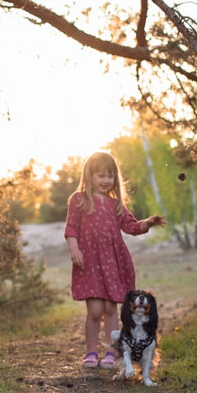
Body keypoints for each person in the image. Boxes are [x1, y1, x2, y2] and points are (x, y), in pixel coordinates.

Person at [64, 152, 166, 369]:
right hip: (89, 262)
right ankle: (91, 352)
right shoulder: (79, 200)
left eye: (109, 176)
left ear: (115, 179)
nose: (105, 180)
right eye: (100, 175)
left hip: (112, 263)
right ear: (89, 176)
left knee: (111, 309)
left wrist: (147, 222)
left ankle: (112, 353)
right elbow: (71, 228)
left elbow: (132, 226)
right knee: (94, 311)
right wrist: (74, 248)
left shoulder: (115, 204)